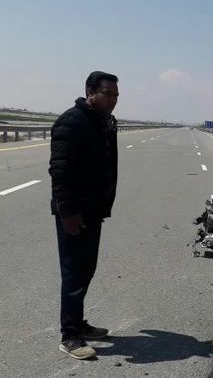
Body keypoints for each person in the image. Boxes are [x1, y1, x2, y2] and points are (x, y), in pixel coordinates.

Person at [49, 71, 119, 359]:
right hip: (74, 212)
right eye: (108, 93)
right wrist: (68, 213)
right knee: (73, 271)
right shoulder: (71, 122)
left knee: (86, 269)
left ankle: (78, 323)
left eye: (116, 95)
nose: (113, 100)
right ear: (91, 91)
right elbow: (60, 172)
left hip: (93, 210)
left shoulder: (103, 122)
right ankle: (70, 336)